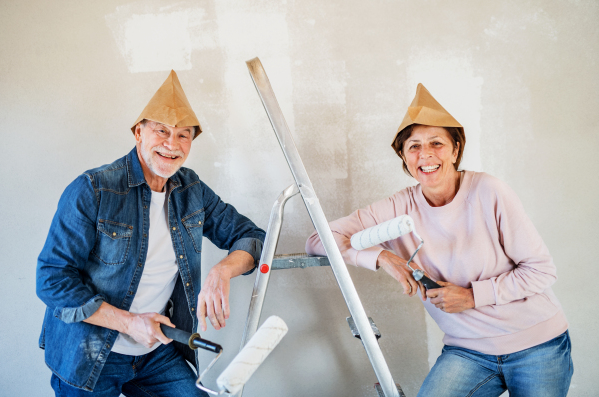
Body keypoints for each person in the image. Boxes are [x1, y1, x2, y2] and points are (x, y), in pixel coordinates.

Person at [306, 84, 572, 397]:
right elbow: (317, 240)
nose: (426, 154)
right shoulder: (397, 207)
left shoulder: (489, 191)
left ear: (456, 149)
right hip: (468, 352)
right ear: (404, 157)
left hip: (537, 344)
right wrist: (382, 258)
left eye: (436, 143)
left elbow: (541, 271)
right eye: (414, 146)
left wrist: (473, 296)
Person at [36, 70, 265, 396]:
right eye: (162, 131)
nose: (172, 144)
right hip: (90, 352)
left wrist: (222, 270)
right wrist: (130, 323)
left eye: (184, 135)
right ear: (138, 133)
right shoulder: (94, 189)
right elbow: (51, 279)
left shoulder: (192, 190)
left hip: (156, 350)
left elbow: (251, 236)